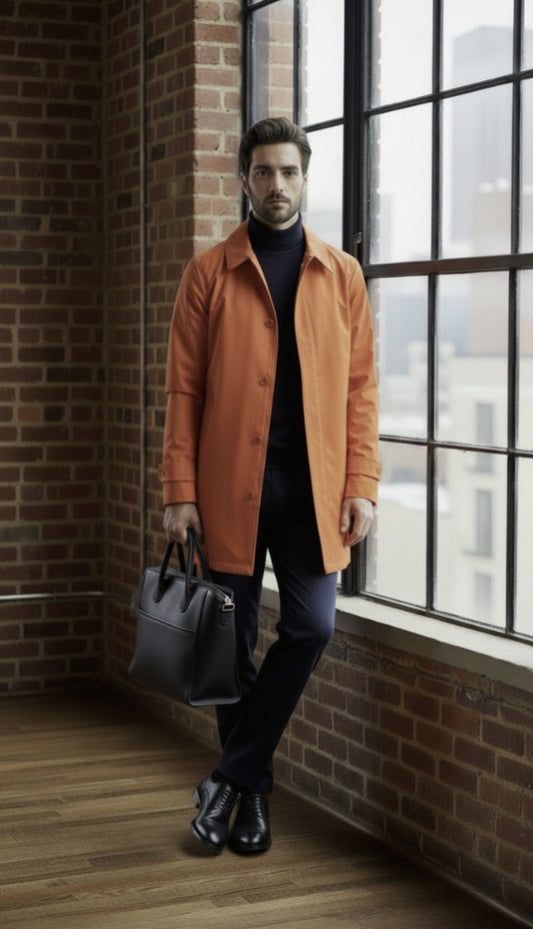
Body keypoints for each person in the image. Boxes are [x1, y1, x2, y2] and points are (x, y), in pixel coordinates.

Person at [159, 117, 380, 855]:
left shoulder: (341, 275)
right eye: (263, 171)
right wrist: (179, 490)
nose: (276, 184)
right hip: (228, 488)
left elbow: (360, 390)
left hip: (313, 493)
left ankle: (227, 778)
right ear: (244, 180)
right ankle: (249, 801)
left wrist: (362, 481)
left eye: (288, 171)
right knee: (229, 647)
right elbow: (184, 392)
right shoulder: (208, 273)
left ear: (305, 177)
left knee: (312, 626)